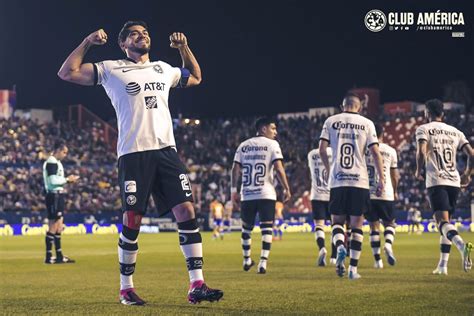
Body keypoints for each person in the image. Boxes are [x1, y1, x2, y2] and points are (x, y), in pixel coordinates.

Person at [58, 21, 223, 305]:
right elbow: (67, 73)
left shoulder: (163, 68)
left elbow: (195, 77)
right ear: (123, 43)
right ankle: (126, 288)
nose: (142, 36)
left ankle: (197, 284)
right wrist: (87, 42)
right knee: (132, 220)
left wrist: (184, 48)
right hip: (134, 153)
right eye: (134, 33)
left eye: (145, 33)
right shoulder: (111, 69)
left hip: (166, 152)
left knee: (186, 210)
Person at [319, 93, 384, 280]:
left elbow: (322, 149)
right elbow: (376, 153)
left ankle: (339, 247)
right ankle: (353, 270)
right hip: (359, 181)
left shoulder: (330, 121)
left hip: (338, 180)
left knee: (337, 223)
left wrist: (329, 168)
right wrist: (381, 179)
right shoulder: (367, 123)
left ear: (342, 106)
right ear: (359, 107)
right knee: (356, 227)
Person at [415, 99, 473, 275]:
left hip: (437, 180)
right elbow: (471, 153)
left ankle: (462, 246)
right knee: (447, 223)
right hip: (454, 181)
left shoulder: (424, 129)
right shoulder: (455, 131)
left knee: (441, 222)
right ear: (443, 113)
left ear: (427, 113)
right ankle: (442, 265)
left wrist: (419, 170)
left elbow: (421, 151)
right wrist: (468, 174)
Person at [231, 117, 291, 274]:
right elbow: (278, 168)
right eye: (273, 128)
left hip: (247, 194)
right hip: (266, 193)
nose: (275, 132)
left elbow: (235, 169)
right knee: (266, 228)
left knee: (246, 229)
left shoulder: (243, 146)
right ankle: (263, 263)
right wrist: (286, 188)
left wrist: (233, 191)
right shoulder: (272, 145)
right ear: (263, 129)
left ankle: (246, 259)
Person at [366, 123, 400, 269]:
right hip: (386, 193)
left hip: (368, 193)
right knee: (390, 223)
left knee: (374, 227)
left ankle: (377, 261)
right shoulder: (391, 151)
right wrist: (395, 190)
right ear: (382, 134)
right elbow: (395, 176)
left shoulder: (364, 149)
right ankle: (387, 244)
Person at [42, 141, 79, 264]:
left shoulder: (56, 162)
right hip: (54, 195)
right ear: (58, 150)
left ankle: (59, 255)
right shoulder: (52, 162)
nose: (65, 155)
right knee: (54, 225)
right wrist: (67, 179)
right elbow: (52, 180)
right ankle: (48, 256)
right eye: (64, 152)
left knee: (59, 225)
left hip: (57, 195)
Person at [308, 144, 336, 266]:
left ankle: (322, 248)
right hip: (333, 194)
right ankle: (334, 257)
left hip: (317, 195)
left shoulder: (312, 154)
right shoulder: (335, 152)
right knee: (336, 225)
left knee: (319, 225)